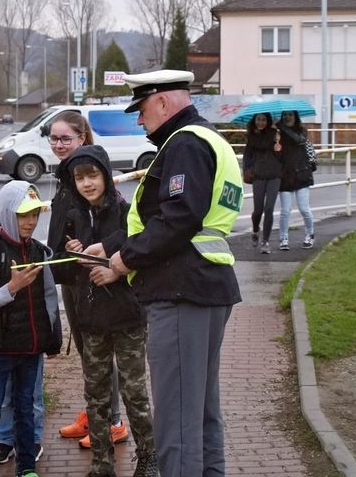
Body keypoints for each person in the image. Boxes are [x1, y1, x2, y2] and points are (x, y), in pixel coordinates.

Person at [94, 69, 244, 477]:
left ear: (162, 101)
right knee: (201, 411)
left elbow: (178, 217)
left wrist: (124, 260)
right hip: (206, 287)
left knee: (177, 421)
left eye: (141, 109)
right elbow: (166, 216)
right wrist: (108, 247)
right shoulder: (211, 139)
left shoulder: (184, 144)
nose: (140, 121)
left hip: (181, 291)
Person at [58, 145, 157, 477]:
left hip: (128, 316)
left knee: (135, 394)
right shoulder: (74, 216)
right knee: (96, 397)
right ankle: (102, 465)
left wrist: (115, 267)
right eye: (79, 178)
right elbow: (65, 267)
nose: (86, 183)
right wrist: (73, 253)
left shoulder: (129, 213)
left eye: (92, 175)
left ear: (105, 173)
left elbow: (145, 249)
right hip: (92, 320)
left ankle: (148, 458)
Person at [0, 181, 61, 477]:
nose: (30, 222)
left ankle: (27, 468)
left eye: (34, 214)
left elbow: (48, 300)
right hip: (0, 349)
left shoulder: (39, 251)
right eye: (23, 215)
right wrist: (12, 287)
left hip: (30, 348)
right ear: (8, 213)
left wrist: (51, 338)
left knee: (26, 409)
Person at [47, 111, 128, 448]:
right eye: (53, 138)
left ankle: (113, 421)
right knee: (85, 351)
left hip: (92, 277)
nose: (58, 144)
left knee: (98, 351)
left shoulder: (91, 178)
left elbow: (119, 227)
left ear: (82, 138)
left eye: (66, 138)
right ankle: (94, 412)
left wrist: (94, 249)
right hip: (70, 274)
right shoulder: (66, 178)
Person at [242, 113, 282, 254]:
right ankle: (255, 230)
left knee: (269, 209)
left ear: (267, 121)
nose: (261, 122)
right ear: (255, 121)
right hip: (258, 175)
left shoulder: (275, 134)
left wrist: (278, 148)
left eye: (264, 120)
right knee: (258, 210)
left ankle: (265, 241)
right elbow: (247, 156)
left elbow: (282, 156)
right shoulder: (251, 136)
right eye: (258, 119)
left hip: (274, 175)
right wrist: (247, 170)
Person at [275, 110, 315, 251]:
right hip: (285, 175)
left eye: (290, 114)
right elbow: (276, 153)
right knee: (285, 210)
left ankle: (310, 234)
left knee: (304, 208)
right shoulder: (278, 133)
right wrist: (276, 145)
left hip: (302, 174)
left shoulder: (302, 130)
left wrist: (284, 128)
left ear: (296, 116)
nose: (287, 117)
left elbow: (299, 140)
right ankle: (283, 238)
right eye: (285, 114)